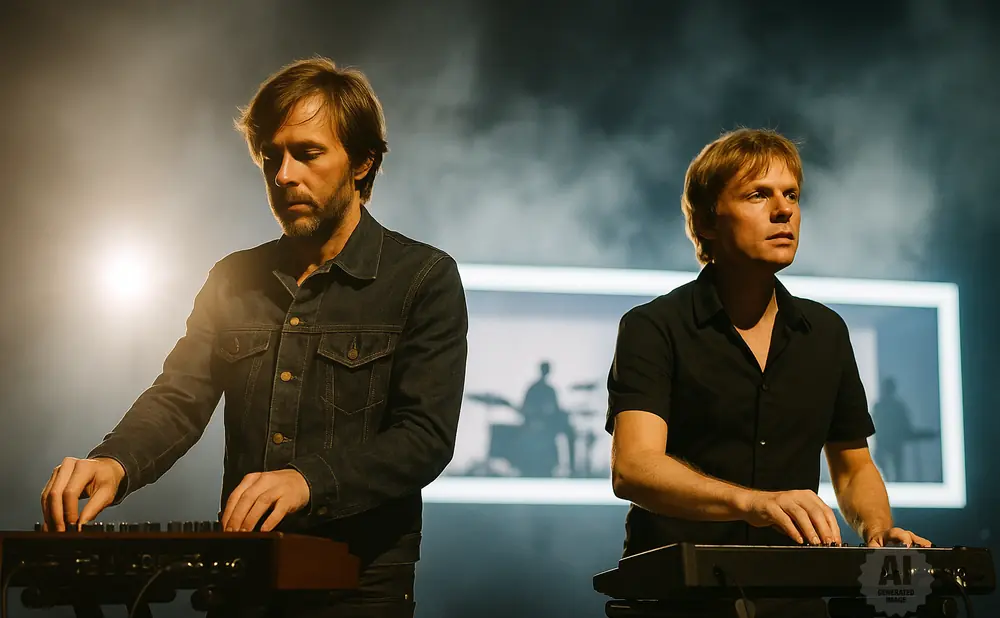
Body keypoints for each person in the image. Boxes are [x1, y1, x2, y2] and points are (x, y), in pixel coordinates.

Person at [39, 57, 469, 618]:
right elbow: (180, 397)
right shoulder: (231, 276)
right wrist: (114, 462)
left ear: (362, 162)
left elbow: (424, 437)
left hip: (360, 587)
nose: (284, 174)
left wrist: (307, 481)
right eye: (272, 157)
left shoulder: (423, 277)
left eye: (308, 153)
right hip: (244, 582)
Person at [605, 128, 930, 618]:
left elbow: (854, 465)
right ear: (708, 221)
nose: (784, 210)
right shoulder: (654, 327)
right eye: (759, 194)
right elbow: (633, 468)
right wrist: (752, 503)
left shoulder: (825, 331)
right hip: (674, 600)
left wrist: (879, 531)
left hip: (795, 598)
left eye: (792, 195)